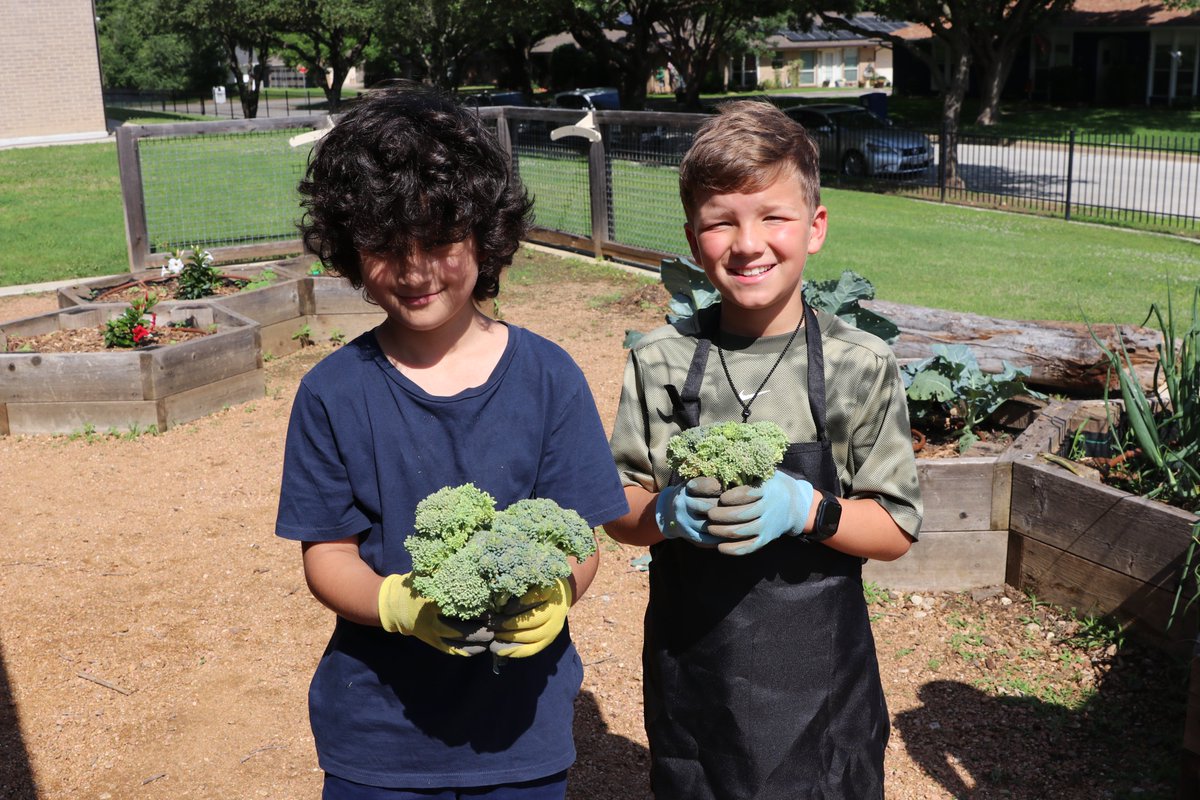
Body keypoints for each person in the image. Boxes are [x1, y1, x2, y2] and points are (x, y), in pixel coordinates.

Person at [275, 84, 629, 800]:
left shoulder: (549, 377)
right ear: (348, 247)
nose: (414, 271)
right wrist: (400, 604)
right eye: (385, 246)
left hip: (521, 734)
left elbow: (580, 537)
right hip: (378, 736)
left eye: (438, 242)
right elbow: (328, 557)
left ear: (486, 235)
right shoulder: (332, 393)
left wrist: (558, 590)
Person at [605, 100, 924, 800]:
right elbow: (619, 508)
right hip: (697, 678)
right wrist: (664, 513)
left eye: (773, 216)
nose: (748, 243)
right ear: (694, 240)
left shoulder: (858, 364)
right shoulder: (661, 360)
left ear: (815, 229)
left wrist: (811, 509)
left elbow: (897, 529)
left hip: (823, 689)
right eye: (722, 221)